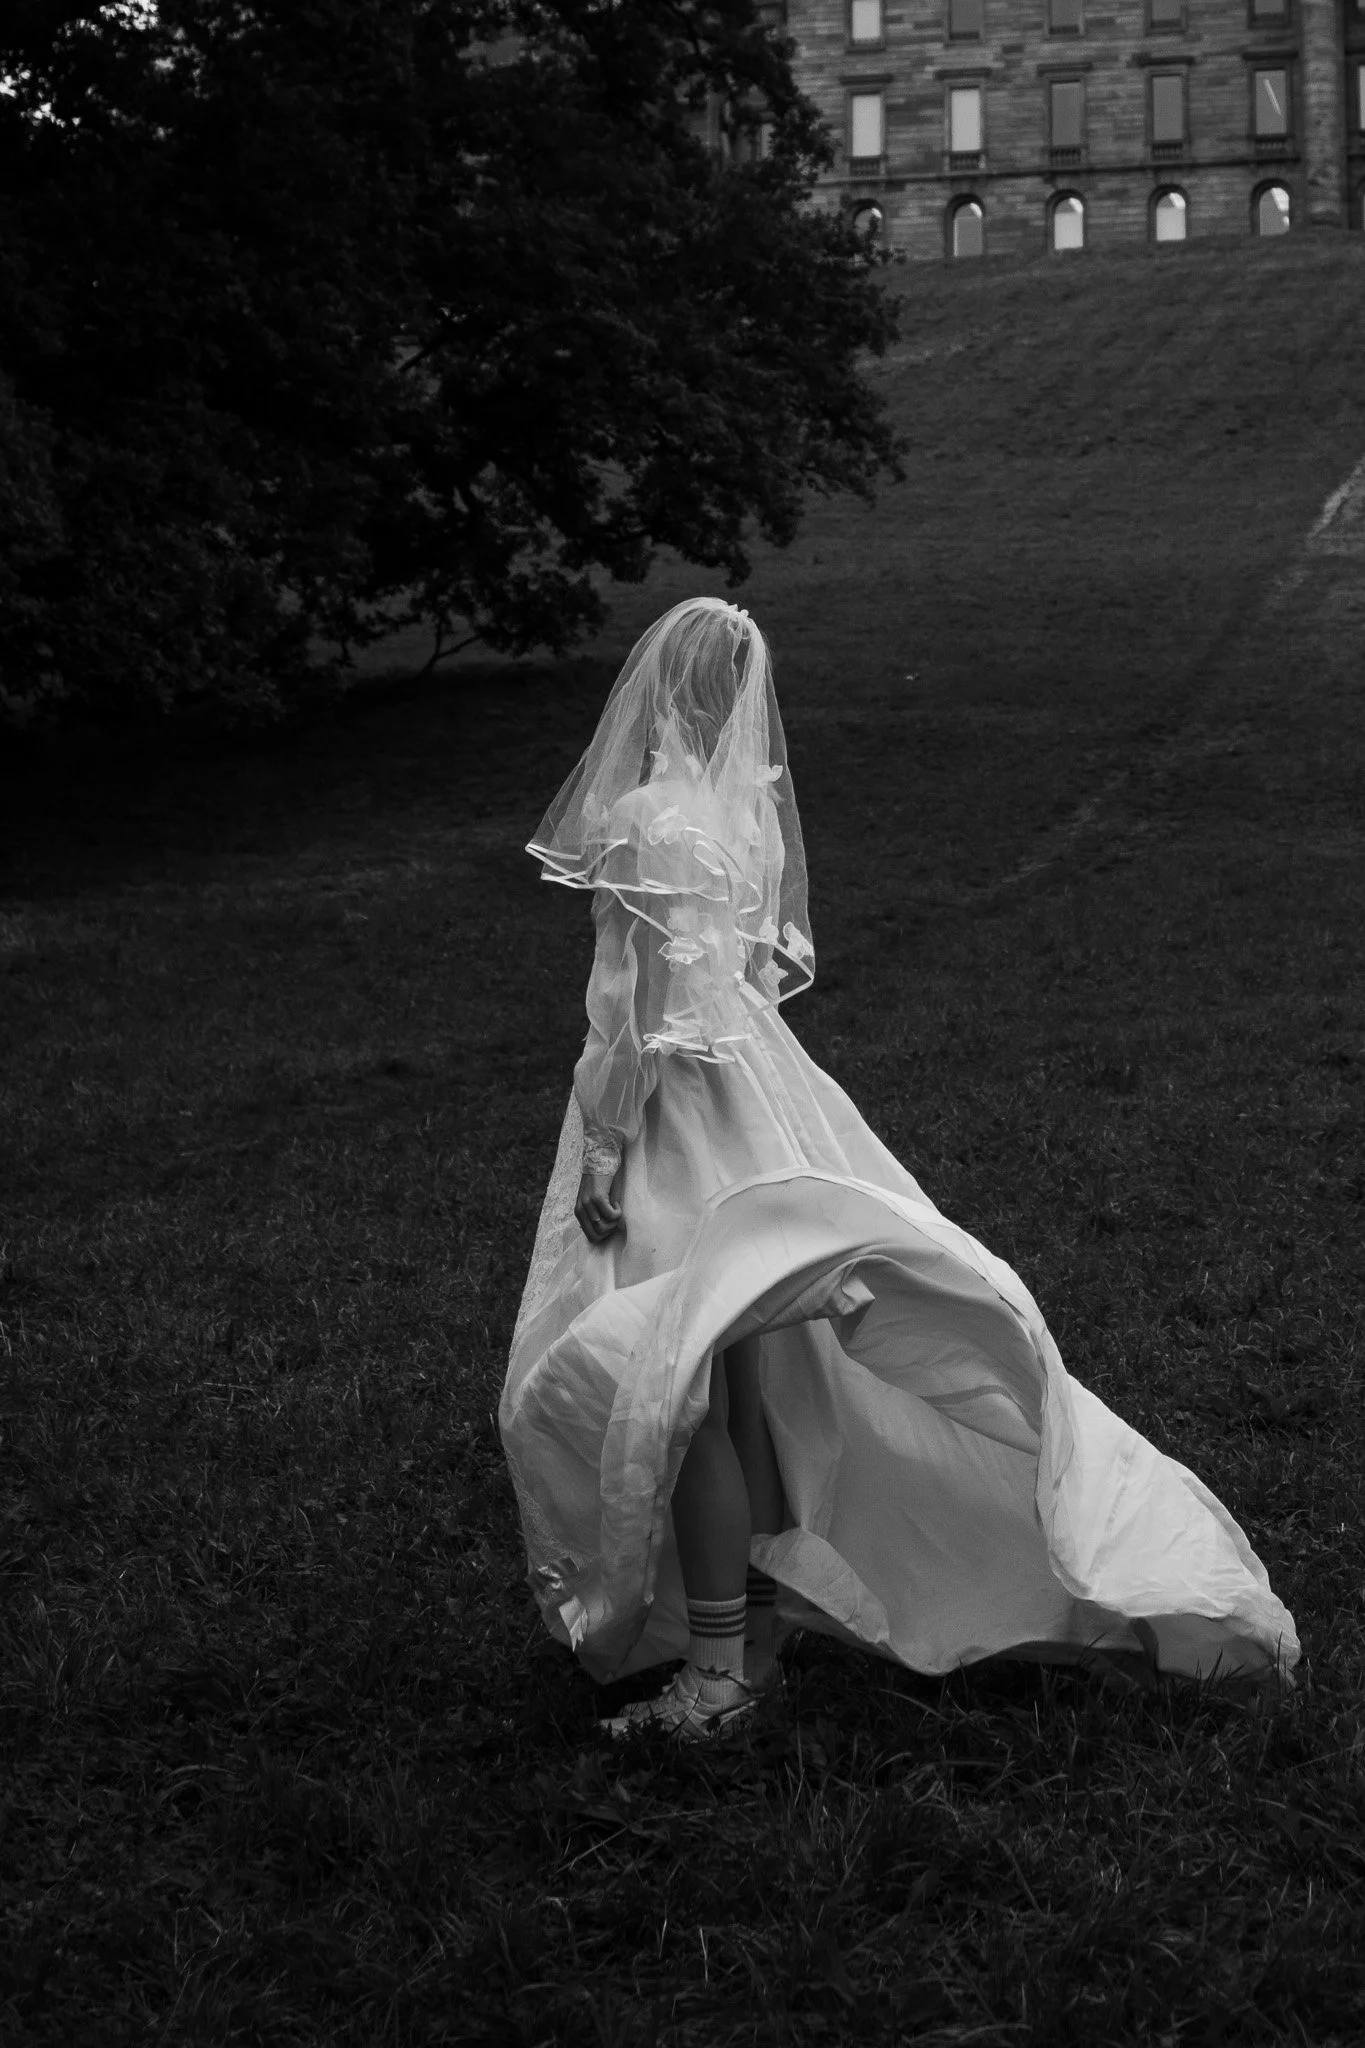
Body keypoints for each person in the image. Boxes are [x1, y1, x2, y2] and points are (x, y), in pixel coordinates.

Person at [499, 597, 1298, 1738]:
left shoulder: (643, 816)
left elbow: (636, 1004)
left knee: (683, 1385)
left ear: (660, 689)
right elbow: (748, 986)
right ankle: (748, 1637)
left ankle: (721, 1670)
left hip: (680, 1110)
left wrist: (611, 1139)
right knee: (740, 1382)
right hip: (759, 1096)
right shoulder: (746, 814)